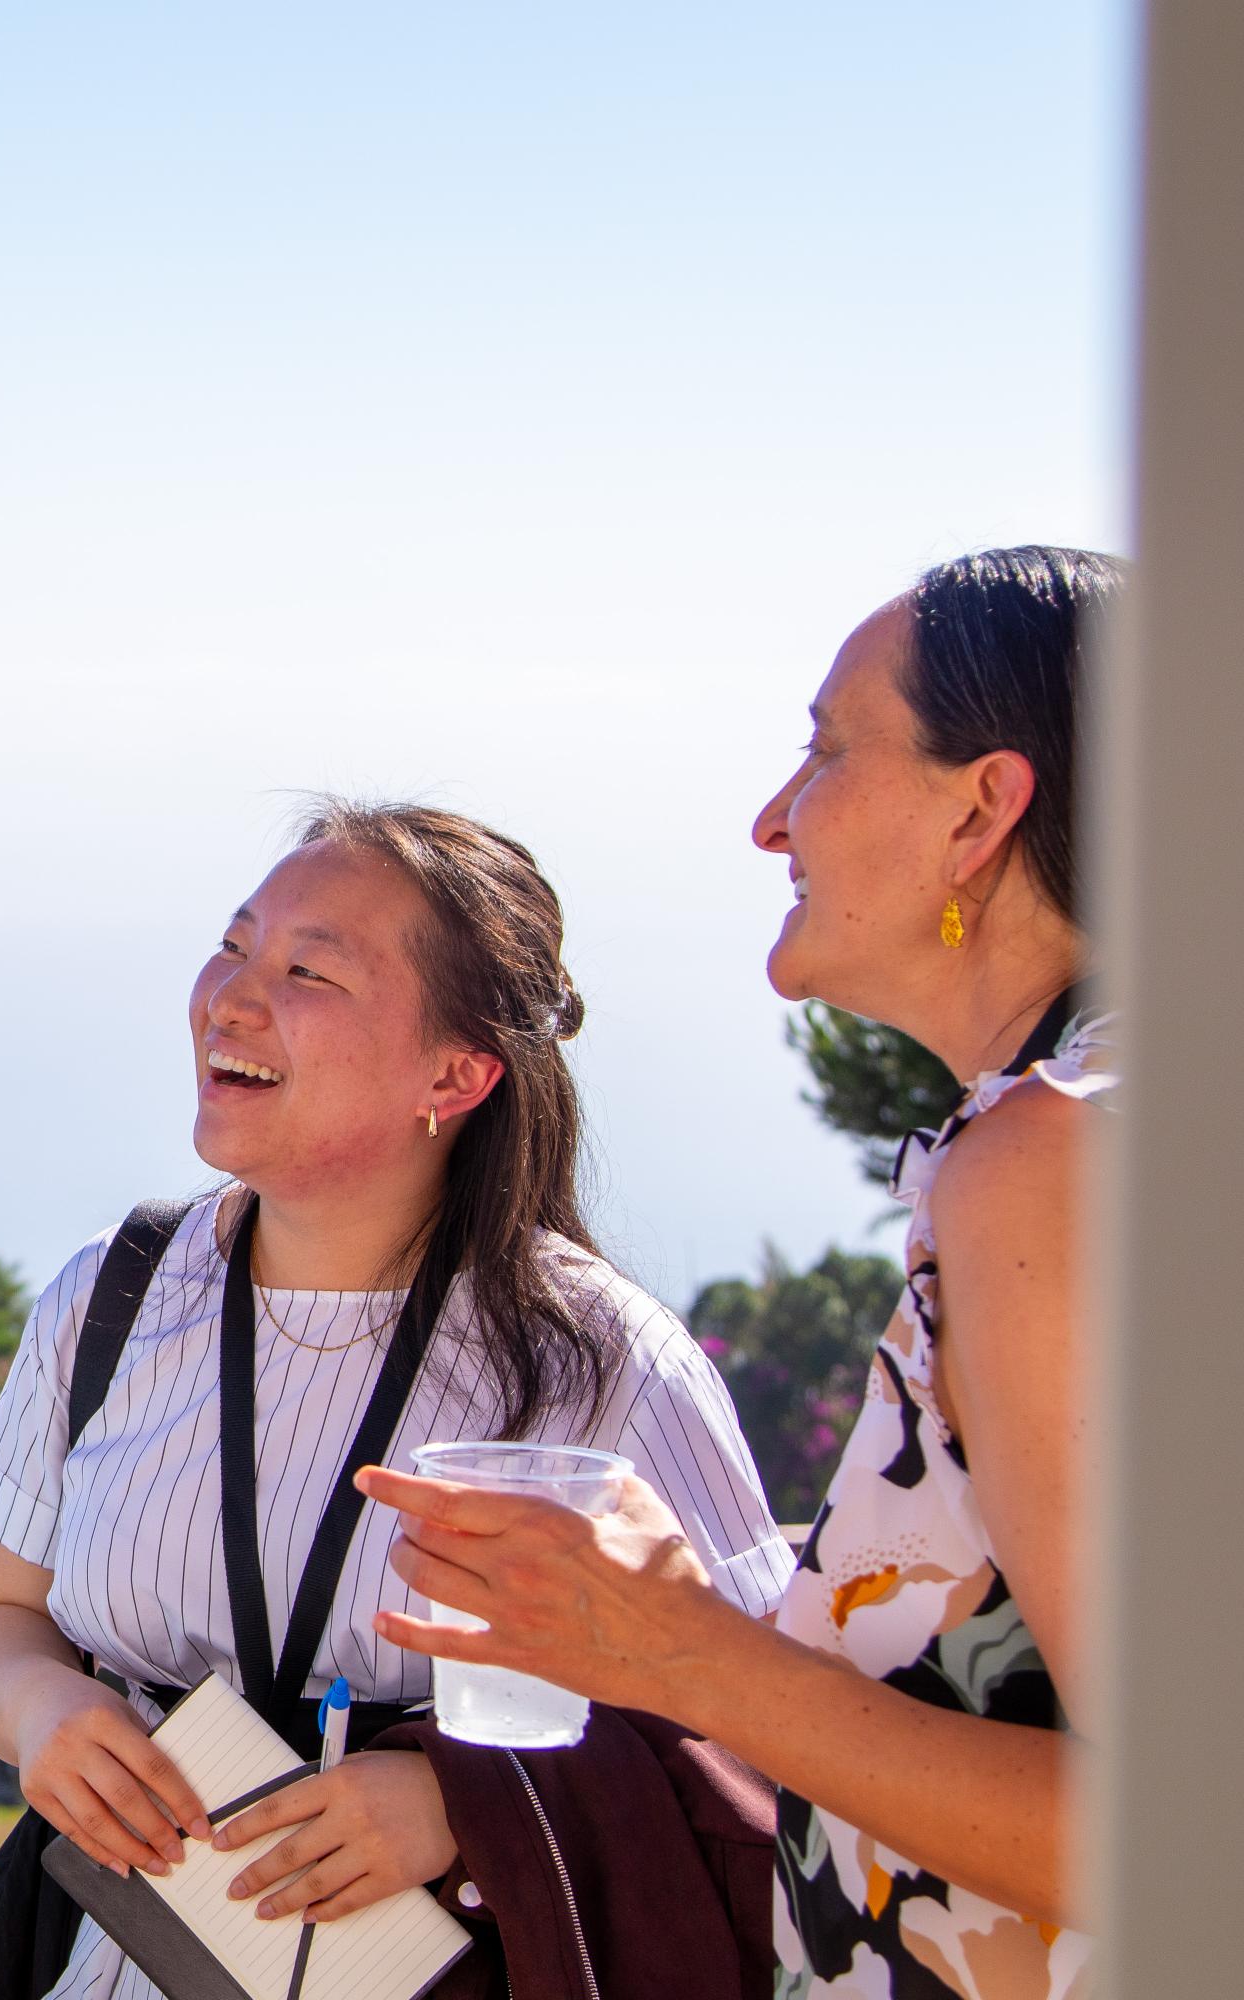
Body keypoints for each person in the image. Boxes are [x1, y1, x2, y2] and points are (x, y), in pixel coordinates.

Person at [363, 547, 1120, 2000]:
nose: (776, 817)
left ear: (985, 808)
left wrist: (682, 1652)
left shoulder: (1053, 1165)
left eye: (831, 747)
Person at [0, 801, 792, 2000]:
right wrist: (42, 1710)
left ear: (456, 1073)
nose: (230, 998)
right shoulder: (114, 1296)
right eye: (235, 944)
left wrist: (464, 1802)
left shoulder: (604, 1362)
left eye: (307, 971)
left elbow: (758, 1722)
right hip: (118, 1959)